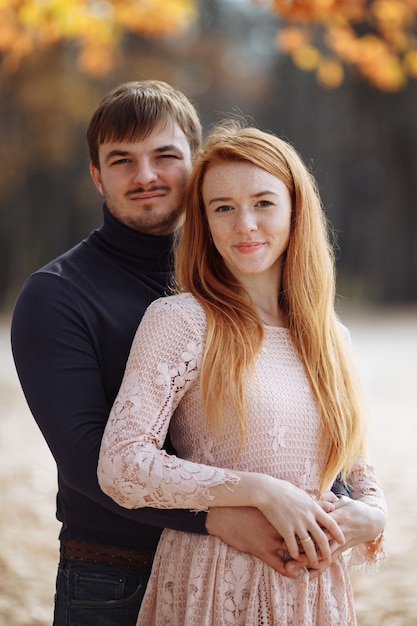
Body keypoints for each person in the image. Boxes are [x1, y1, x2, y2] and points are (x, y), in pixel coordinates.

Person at [11, 80, 379, 626]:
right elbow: (93, 459)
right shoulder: (62, 294)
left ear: (195, 161)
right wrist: (219, 519)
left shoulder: (286, 309)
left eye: (165, 156)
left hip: (288, 573)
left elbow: (326, 451)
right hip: (114, 570)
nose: (146, 176)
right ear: (96, 175)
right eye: (121, 160)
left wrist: (368, 515)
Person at [97, 122, 387, 625]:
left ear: (297, 212)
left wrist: (373, 516)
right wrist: (261, 491)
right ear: (205, 222)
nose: (244, 224)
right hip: (213, 585)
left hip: (315, 595)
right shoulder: (181, 321)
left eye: (264, 203)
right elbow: (121, 465)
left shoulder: (330, 337)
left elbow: (360, 473)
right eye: (223, 208)